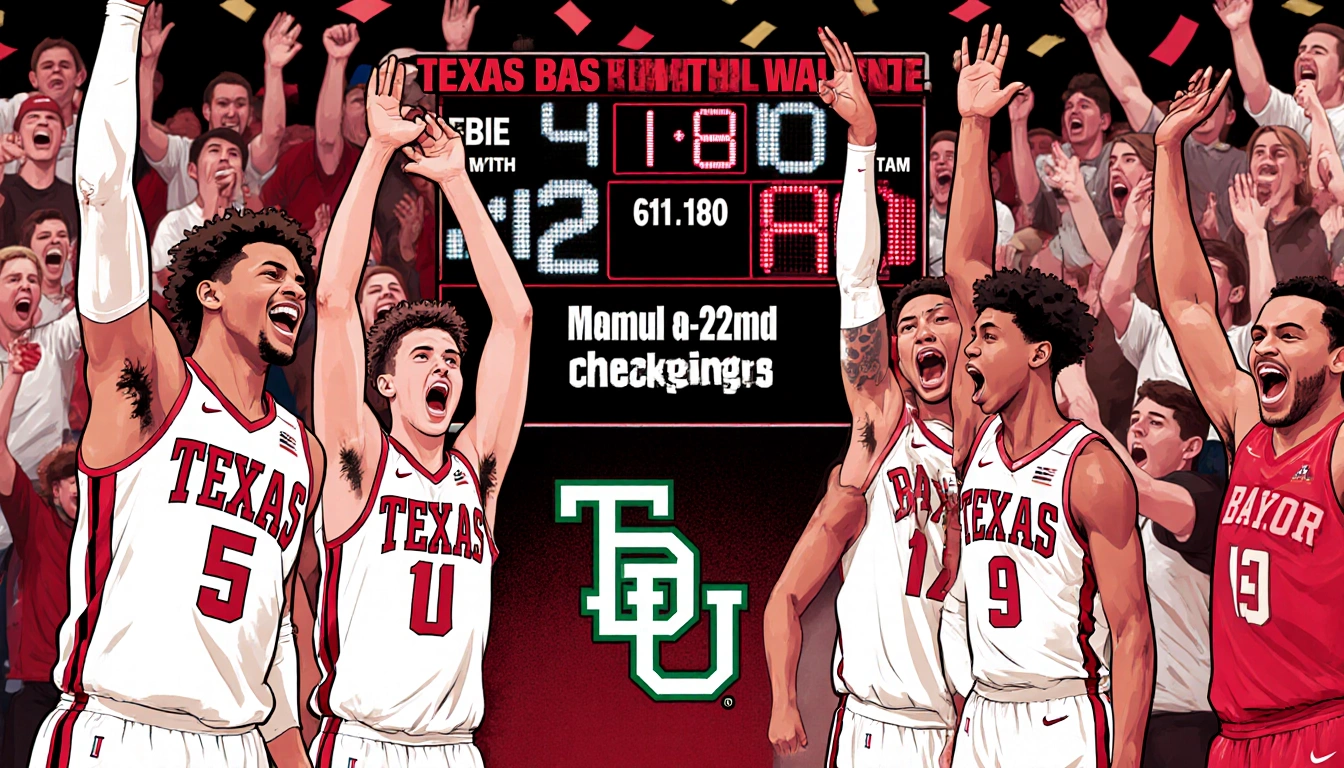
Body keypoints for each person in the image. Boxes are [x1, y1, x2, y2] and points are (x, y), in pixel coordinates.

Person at [28, 4, 323, 766]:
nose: (294, 286)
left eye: (299, 275)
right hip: (121, 731)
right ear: (212, 294)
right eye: (271, 272)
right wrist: (123, 20)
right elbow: (100, 190)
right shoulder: (150, 383)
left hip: (239, 742)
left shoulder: (303, 454)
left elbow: (278, 630)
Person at [307, 56, 531, 768]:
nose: (442, 368)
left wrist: (458, 182)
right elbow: (336, 301)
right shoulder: (358, 459)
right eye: (422, 358)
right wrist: (375, 149)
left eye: (451, 361)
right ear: (386, 386)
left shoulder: (476, 474)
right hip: (362, 745)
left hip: (456, 749)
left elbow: (516, 318)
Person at [941, 25, 1154, 768]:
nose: (969, 344)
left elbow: (1131, 633)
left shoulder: (1089, 467)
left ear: (1035, 352)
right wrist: (972, 126)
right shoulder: (975, 437)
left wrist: (1125, 757)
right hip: (982, 711)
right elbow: (966, 258)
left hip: (1063, 715)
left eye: (987, 336)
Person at [765, 29, 962, 768]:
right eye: (909, 325)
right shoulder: (883, 418)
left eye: (941, 317)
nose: (921, 331)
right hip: (875, 722)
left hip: (973, 719)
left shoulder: (999, 437)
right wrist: (862, 145)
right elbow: (855, 280)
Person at [1153, 65, 1344, 768]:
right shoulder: (1246, 420)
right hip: (1236, 736)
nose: (1263, 344)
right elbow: (1185, 305)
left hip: (1324, 728)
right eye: (1260, 334)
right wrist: (1169, 149)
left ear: (1341, 357)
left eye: (1289, 336)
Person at [1058, 371, 1224, 768]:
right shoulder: (1122, 518)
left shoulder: (1202, 496)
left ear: (1191, 447)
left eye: (1155, 422)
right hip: (1121, 716)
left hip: (1183, 724)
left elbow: (1141, 490)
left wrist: (1093, 426)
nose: (1138, 428)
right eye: (1135, 419)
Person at [1065, 0, 1247, 240]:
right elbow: (1129, 93)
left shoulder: (1244, 161)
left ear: (1230, 116)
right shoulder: (1173, 143)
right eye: (1198, 98)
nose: (1204, 107)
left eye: (1213, 100)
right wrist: (1098, 38)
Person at [137, 2, 298, 212]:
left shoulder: (247, 159)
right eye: (223, 104)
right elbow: (142, 127)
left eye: (240, 104)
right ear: (207, 111)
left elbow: (274, 133)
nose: (232, 112)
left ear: (249, 113)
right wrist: (148, 62)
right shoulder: (181, 153)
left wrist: (274, 68)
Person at [0, 341, 75, 768]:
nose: (80, 489)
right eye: (70, 481)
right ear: (55, 489)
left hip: (85, 696)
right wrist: (14, 376)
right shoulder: (35, 521)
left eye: (86, 478)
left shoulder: (107, 535)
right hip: (37, 687)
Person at [1009, 73, 1121, 273]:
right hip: (1060, 258)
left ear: (1104, 121)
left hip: (1108, 260)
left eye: (1084, 106)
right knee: (1015, 246)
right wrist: (1018, 123)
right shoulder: (1055, 159)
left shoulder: (1116, 159)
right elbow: (1031, 199)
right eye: (1069, 107)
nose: (1074, 111)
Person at [262, 24, 365, 236]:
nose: (368, 109)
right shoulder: (307, 158)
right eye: (359, 101)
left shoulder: (393, 163)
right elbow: (328, 141)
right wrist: (337, 62)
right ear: (341, 109)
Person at [1215, 0, 1344, 154]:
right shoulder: (1294, 113)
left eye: (1318, 51)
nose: (1304, 56)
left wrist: (1315, 109)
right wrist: (1240, 31)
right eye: (1301, 50)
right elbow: (1257, 91)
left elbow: (1327, 167)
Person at [0, 247, 79, 482]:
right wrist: (15, 373)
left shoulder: (54, 339)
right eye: (14, 279)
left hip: (48, 489)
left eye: (32, 280)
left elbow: (97, 307)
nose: (25, 285)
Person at [1224, 126, 1333, 280]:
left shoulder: (1317, 228)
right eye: (1259, 153)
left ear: (1301, 172)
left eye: (1279, 153)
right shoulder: (1239, 231)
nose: (1267, 159)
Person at [149, 129, 248, 293]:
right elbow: (166, 282)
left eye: (233, 154)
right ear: (192, 170)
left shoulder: (252, 221)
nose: (224, 158)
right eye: (214, 151)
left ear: (243, 176)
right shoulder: (174, 224)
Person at [928, 130, 1014, 276]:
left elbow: (995, 266)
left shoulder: (997, 213)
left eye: (950, 156)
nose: (941, 161)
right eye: (934, 157)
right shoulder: (918, 218)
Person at [0, 39, 85, 182]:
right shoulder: (10, 111)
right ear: (34, 79)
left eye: (64, 66)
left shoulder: (90, 133)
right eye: (47, 66)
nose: (56, 70)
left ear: (79, 77)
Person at [0, 96, 78, 248]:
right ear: (18, 137)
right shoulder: (3, 187)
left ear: (63, 136)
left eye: (51, 117)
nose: (43, 122)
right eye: (32, 117)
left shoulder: (75, 199)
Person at [20, 210, 73, 329]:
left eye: (62, 235)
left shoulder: (82, 303)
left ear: (69, 250)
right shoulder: (14, 305)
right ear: (28, 252)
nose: (55, 240)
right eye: (44, 236)